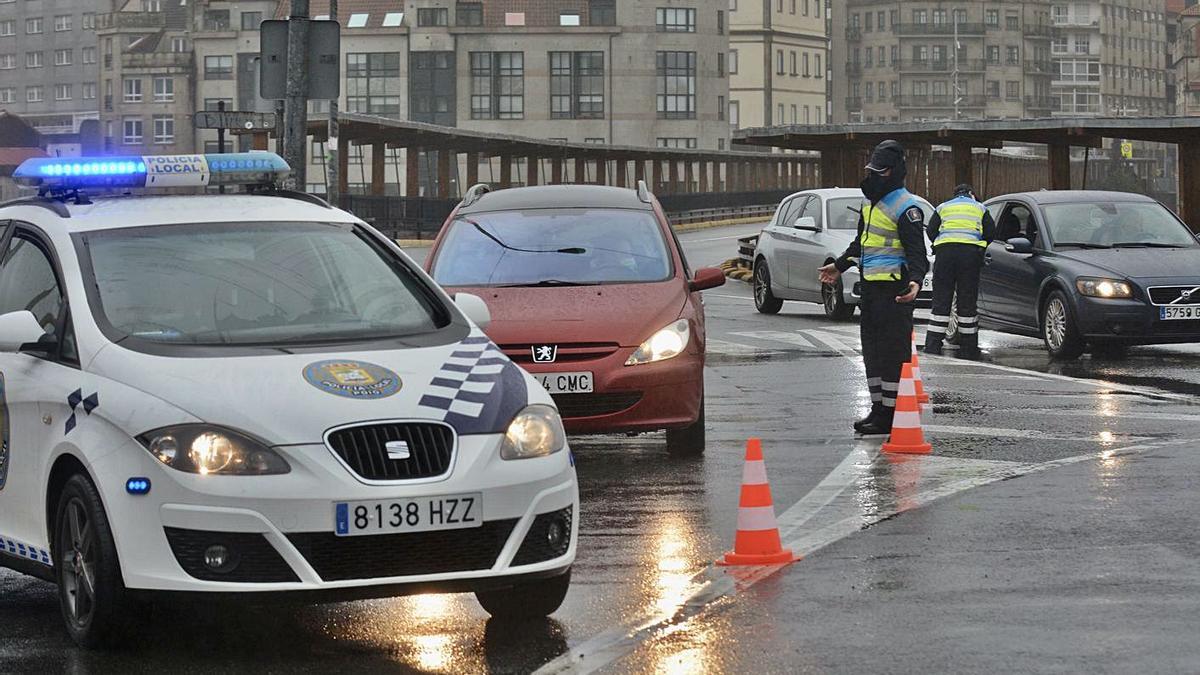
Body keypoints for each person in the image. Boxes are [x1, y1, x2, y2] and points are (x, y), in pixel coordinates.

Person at [819, 140, 930, 436]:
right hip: (870, 291)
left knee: (893, 355)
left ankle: (893, 413)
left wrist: (915, 283)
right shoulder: (871, 204)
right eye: (872, 170)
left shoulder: (907, 208)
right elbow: (861, 245)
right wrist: (840, 265)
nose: (873, 177)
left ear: (892, 172)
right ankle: (878, 410)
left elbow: (917, 254)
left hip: (894, 293)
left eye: (879, 172)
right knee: (873, 354)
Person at [923, 183, 995, 359]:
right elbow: (990, 232)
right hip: (970, 256)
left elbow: (931, 230)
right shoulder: (980, 208)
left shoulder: (943, 207)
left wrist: (940, 244)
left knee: (941, 301)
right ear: (971, 194)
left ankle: (933, 345)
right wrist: (982, 246)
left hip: (945, 255)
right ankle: (969, 347)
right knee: (967, 301)